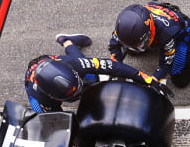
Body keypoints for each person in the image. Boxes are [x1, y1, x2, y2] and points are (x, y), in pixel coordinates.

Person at [25, 34, 160, 112]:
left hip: (55, 60)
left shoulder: (75, 63)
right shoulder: (41, 100)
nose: (79, 95)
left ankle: (66, 41)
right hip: (33, 82)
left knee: (91, 75)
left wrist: (145, 79)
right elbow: (58, 125)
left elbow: (114, 67)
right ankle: (66, 41)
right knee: (43, 115)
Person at [109, 3, 190, 88]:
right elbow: (114, 45)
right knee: (131, 51)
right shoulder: (123, 30)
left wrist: (152, 80)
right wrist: (116, 65)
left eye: (139, 43)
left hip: (180, 32)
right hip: (155, 21)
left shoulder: (167, 33)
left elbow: (165, 64)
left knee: (179, 78)